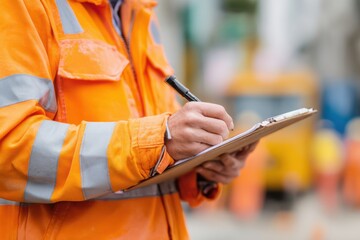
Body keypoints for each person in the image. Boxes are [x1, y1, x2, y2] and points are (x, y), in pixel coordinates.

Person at [0, 0, 257, 239]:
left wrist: (200, 168)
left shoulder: (139, 11)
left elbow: (156, 153)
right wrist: (157, 140)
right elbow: (9, 150)